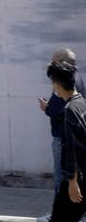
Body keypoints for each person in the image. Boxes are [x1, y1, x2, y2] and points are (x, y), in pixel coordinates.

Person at [39, 49, 86, 222]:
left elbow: (72, 149)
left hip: (75, 179)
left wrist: (73, 183)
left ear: (58, 84)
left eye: (53, 83)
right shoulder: (81, 102)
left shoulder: (69, 110)